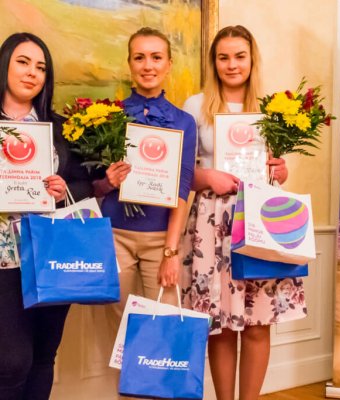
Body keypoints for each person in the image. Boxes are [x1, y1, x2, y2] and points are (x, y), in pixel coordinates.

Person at [181, 25, 307, 400]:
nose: (232, 65)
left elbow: (275, 169)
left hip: (258, 220)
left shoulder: (272, 107)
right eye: (223, 57)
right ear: (213, 62)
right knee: (219, 324)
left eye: (239, 56)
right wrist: (207, 176)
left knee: (257, 322)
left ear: (252, 60)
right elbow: (181, 173)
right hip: (210, 225)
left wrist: (280, 170)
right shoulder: (195, 106)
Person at [0, 32, 93, 400]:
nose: (32, 73)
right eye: (23, 62)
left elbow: (83, 184)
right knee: (11, 362)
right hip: (4, 258)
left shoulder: (58, 128)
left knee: (43, 356)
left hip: (52, 253)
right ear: (4, 65)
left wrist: (62, 189)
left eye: (41, 67)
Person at [92, 27, 196, 329]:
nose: (148, 65)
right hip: (114, 235)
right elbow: (93, 186)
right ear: (129, 64)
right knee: (119, 330)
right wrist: (108, 183)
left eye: (156, 57)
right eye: (139, 57)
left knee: (162, 327)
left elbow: (182, 189)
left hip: (161, 238)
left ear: (169, 64)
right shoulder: (108, 116)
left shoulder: (184, 122)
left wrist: (171, 252)